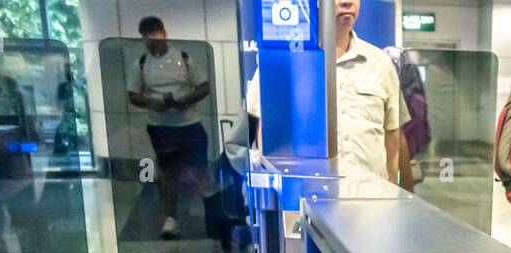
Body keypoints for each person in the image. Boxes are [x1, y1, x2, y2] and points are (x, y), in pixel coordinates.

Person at [246, 0, 408, 185]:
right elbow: (266, 135)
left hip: (371, 200)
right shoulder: (283, 61)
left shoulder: (380, 64)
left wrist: (392, 192)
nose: (346, 2)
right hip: (309, 200)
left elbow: (392, 136)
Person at [127, 15, 214, 239]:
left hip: (188, 123)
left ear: (163, 34)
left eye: (154, 35)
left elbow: (203, 87)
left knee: (200, 171)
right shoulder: (142, 64)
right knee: (168, 174)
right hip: (161, 127)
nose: (151, 40)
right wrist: (151, 103)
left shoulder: (183, 58)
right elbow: (133, 95)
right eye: (146, 37)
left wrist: (183, 101)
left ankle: (213, 216)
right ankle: (170, 219)